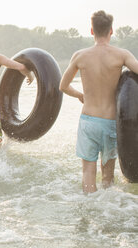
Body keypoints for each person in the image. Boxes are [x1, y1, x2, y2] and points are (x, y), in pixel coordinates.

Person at [59, 10, 138, 193]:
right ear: (111, 31)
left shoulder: (80, 56)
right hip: (110, 123)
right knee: (108, 173)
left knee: (88, 170)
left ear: (92, 31)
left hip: (88, 121)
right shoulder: (122, 55)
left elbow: (63, 86)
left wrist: (80, 95)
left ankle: (89, 203)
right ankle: (107, 205)